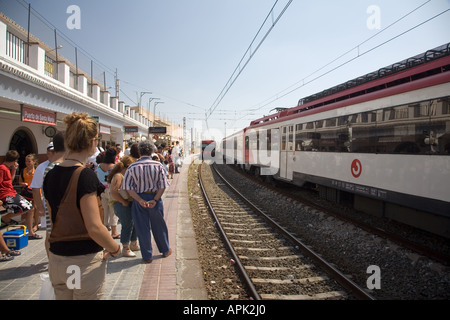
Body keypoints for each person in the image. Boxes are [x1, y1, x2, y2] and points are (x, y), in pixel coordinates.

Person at [43, 112, 121, 300]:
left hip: (57, 259)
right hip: (81, 262)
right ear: (93, 142)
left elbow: (51, 221)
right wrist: (114, 248)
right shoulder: (84, 175)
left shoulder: (50, 174)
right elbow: (94, 227)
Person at [122, 140, 171, 263]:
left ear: (139, 152)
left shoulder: (132, 167)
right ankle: (165, 250)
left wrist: (139, 200)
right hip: (155, 198)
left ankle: (147, 255)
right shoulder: (158, 166)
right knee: (159, 226)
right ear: (152, 151)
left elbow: (128, 187)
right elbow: (163, 185)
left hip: (139, 200)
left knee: (142, 228)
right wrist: (155, 199)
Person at [30, 131, 66, 256]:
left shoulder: (56, 166)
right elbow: (35, 188)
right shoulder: (42, 168)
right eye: (49, 151)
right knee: (49, 234)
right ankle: (51, 259)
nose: (51, 153)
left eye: (53, 151)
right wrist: (39, 207)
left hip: (57, 207)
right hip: (50, 206)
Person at [0, 150, 41, 240]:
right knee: (29, 208)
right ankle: (6, 218)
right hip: (6, 195)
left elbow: (9, 181)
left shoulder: (6, 168)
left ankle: (29, 232)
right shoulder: (2, 168)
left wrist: (14, 170)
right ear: (14, 160)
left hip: (11, 193)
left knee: (31, 208)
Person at [107, 155, 139, 257]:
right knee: (127, 225)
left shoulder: (123, 175)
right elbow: (113, 192)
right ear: (128, 165)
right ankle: (126, 248)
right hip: (121, 204)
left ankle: (133, 243)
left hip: (126, 203)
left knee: (133, 223)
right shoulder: (119, 176)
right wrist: (123, 202)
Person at [96, 148, 120, 239]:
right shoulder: (115, 167)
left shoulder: (98, 166)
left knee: (104, 211)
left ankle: (104, 230)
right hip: (112, 190)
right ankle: (114, 232)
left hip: (101, 190)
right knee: (113, 212)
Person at [19, 153, 38, 231]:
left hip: (35, 190)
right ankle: (23, 223)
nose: (27, 163)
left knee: (35, 208)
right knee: (24, 207)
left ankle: (35, 224)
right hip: (26, 191)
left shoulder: (36, 169)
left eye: (29, 161)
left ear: (34, 162)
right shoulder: (23, 170)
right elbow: (20, 182)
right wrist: (23, 184)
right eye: (26, 161)